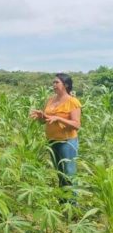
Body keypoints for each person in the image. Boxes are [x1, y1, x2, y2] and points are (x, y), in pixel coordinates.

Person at [30, 73, 81, 202]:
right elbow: (45, 121)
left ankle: (72, 206)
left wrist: (58, 118)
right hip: (52, 141)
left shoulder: (72, 101)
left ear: (66, 85)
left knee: (69, 173)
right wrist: (42, 117)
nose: (54, 85)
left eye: (57, 82)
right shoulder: (51, 100)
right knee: (59, 173)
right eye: (53, 82)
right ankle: (63, 202)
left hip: (67, 142)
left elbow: (76, 124)